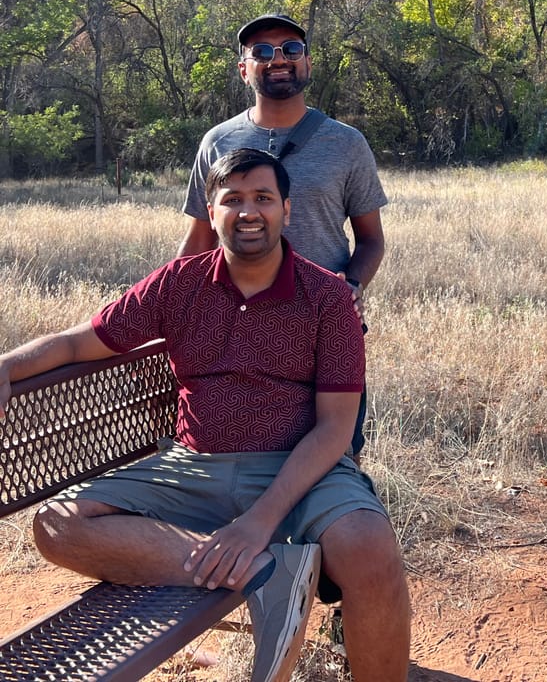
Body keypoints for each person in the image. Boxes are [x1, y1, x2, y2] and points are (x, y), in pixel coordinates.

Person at [0, 148, 410, 682]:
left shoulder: (328, 298)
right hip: (192, 466)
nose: (248, 211)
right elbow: (80, 343)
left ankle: (269, 572)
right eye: (232, 199)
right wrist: (6, 365)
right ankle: (266, 574)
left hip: (298, 466)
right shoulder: (178, 284)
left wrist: (258, 522)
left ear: (286, 210)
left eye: (263, 198)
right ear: (210, 212)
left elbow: (335, 428)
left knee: (369, 548)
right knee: (55, 526)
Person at [178, 12, 387, 458]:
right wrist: (173, 305)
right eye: (262, 52)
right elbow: (198, 241)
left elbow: (371, 239)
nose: (278, 59)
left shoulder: (346, 143)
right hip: (234, 326)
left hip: (322, 326)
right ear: (244, 69)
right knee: (233, 451)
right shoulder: (217, 142)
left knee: (336, 452)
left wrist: (349, 287)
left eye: (291, 49)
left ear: (307, 63)